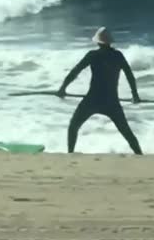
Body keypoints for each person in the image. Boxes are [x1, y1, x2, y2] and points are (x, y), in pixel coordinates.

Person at [57, 26, 143, 155]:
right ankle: (139, 154)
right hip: (111, 101)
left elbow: (75, 71)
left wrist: (63, 88)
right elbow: (130, 76)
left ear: (98, 42)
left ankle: (70, 153)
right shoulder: (117, 55)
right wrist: (135, 95)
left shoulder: (93, 55)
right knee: (126, 132)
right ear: (110, 42)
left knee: (73, 127)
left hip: (92, 99)